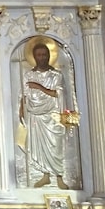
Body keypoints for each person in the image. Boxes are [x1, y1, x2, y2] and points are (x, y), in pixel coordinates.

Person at [19, 41, 68, 189]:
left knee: (56, 145)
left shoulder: (56, 75)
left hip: (52, 115)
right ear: (34, 57)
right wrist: (21, 109)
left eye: (45, 55)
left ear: (49, 56)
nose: (42, 58)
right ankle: (45, 176)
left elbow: (57, 93)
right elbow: (24, 95)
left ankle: (59, 177)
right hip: (35, 115)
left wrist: (39, 86)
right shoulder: (29, 75)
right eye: (39, 55)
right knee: (38, 148)